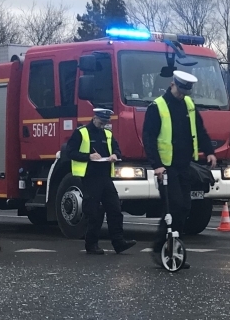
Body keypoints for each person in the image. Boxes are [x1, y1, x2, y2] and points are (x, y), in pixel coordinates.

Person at [142, 69, 215, 250]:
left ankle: (175, 248)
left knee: (184, 208)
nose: (182, 95)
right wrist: (157, 165)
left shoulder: (189, 104)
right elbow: (149, 138)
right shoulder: (157, 106)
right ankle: (161, 247)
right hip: (166, 168)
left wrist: (209, 151)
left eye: (185, 92)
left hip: (184, 165)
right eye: (180, 91)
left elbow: (200, 129)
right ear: (172, 84)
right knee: (173, 206)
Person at [62, 108, 135, 255]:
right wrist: (88, 156)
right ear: (94, 118)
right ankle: (91, 244)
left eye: (106, 123)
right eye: (101, 122)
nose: (103, 125)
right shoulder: (81, 132)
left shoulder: (107, 134)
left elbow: (117, 149)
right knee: (94, 212)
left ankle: (119, 242)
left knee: (115, 209)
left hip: (105, 176)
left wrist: (115, 155)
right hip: (90, 177)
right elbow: (69, 152)